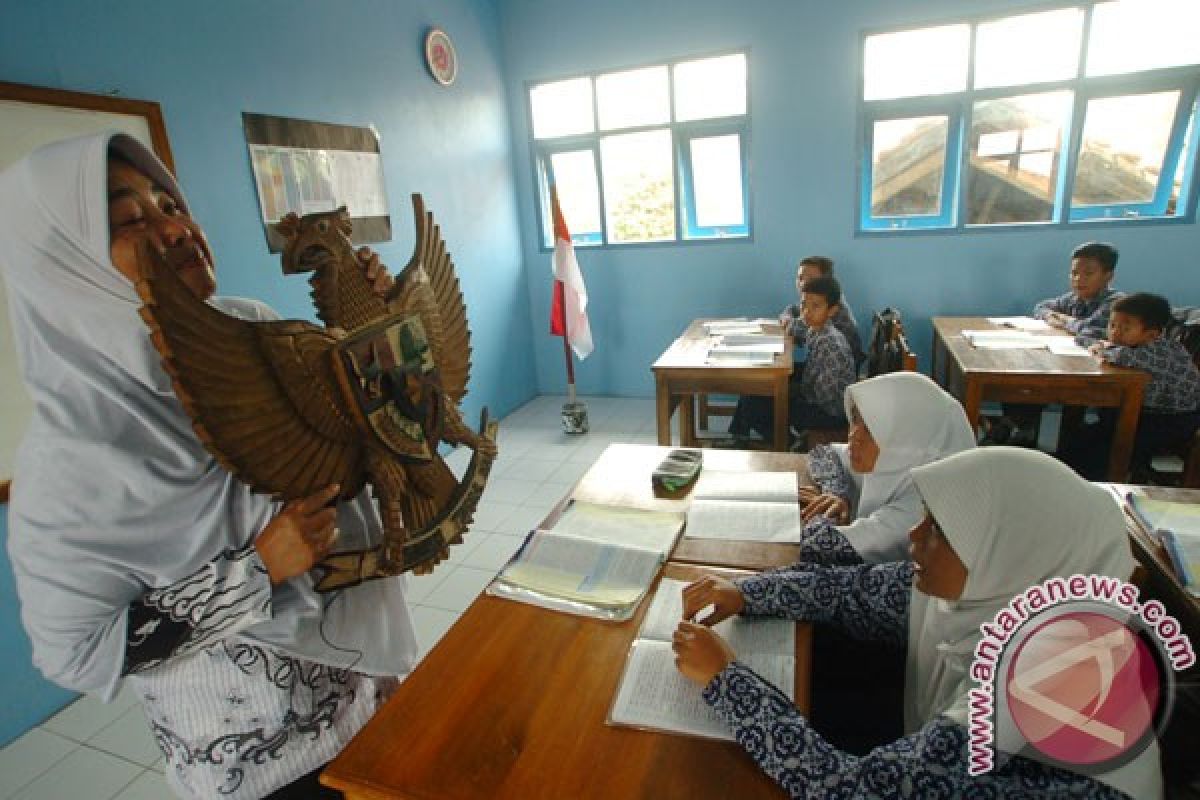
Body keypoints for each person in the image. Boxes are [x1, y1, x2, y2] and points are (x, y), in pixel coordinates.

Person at [0, 132, 417, 799]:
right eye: (131, 220)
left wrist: (380, 330)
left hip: (371, 692)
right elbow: (77, 652)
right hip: (266, 769)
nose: (176, 228)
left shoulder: (247, 330)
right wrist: (256, 572)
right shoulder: (68, 466)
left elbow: (356, 435)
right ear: (66, 264)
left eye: (171, 203)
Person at [673, 447, 1162, 799]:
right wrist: (744, 592)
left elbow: (848, 789)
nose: (914, 533)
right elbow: (847, 592)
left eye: (940, 529)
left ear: (1007, 552)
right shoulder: (996, 592)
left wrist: (725, 679)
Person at [795, 371, 975, 565]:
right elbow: (824, 454)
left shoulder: (922, 510)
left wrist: (827, 514)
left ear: (907, 441)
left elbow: (819, 547)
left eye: (872, 429)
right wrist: (836, 494)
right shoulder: (894, 461)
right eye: (855, 419)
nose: (854, 436)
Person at [993, 242, 1124, 446]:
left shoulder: (1116, 303)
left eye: (1088, 273)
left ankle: (1016, 427)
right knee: (1020, 375)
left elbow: (1090, 331)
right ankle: (1021, 429)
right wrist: (1055, 317)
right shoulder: (1074, 299)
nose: (1078, 279)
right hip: (1067, 362)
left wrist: (1065, 321)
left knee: (1038, 386)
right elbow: (1041, 307)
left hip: (1102, 373)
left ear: (1108, 276)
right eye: (1074, 273)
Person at [1062, 292, 1200, 480]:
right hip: (1148, 411)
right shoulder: (1136, 343)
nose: (1115, 332)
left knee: (1107, 447)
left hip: (1174, 420)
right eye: (1112, 325)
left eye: (1125, 328)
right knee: (1082, 438)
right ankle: (1067, 471)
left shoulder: (1160, 351)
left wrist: (1100, 348)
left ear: (1152, 334)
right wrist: (1098, 344)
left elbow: (1121, 355)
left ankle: (1102, 482)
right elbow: (1092, 337)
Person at [729, 258, 862, 444]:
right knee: (759, 383)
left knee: (756, 400)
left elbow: (825, 397)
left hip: (830, 411)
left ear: (832, 309)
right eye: (803, 306)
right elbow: (793, 314)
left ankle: (789, 444)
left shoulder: (831, 339)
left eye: (814, 306)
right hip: (820, 394)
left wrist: (793, 393)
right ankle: (740, 436)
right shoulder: (818, 325)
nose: (806, 312)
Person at [779, 255, 863, 365]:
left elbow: (800, 329)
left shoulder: (832, 306)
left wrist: (788, 323)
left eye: (811, 279)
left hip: (834, 369)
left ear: (826, 281)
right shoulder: (816, 298)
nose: (803, 283)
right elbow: (792, 309)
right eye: (800, 278)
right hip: (818, 366)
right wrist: (787, 318)